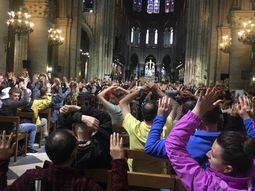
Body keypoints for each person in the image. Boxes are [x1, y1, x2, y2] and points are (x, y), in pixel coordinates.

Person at [165, 88, 255, 190]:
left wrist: (198, 110)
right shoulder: (250, 173)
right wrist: (249, 119)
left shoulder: (211, 186)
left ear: (228, 168)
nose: (207, 154)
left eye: (213, 155)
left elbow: (173, 145)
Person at [0, 130, 128, 191]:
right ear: (74, 153)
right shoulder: (83, 184)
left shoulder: (31, 176)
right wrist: (118, 161)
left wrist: (2, 160)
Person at [119, 84, 173, 173]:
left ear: (142, 114)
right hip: (159, 178)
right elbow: (175, 106)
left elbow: (122, 103)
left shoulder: (134, 126)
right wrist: (158, 91)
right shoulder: (165, 127)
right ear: (158, 114)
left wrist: (141, 90)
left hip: (134, 176)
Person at [59, 104, 113, 169]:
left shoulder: (66, 151)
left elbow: (62, 120)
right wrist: (79, 108)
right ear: (92, 128)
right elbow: (105, 117)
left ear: (73, 129)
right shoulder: (100, 147)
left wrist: (80, 117)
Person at [0, 81, 37, 153]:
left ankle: (20, 147)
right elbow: (26, 101)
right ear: (10, 95)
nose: (17, 98)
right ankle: (29, 147)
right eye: (15, 96)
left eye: (18, 96)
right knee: (34, 126)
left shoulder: (5, 102)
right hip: (12, 129)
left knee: (24, 122)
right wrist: (24, 88)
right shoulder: (11, 103)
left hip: (3, 129)